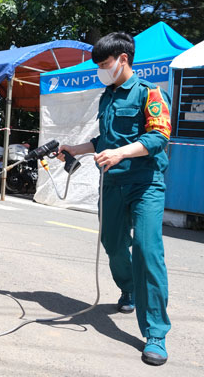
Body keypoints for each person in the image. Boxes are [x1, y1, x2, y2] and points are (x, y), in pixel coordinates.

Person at [58, 32, 172, 366]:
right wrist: (74, 148)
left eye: (104, 64)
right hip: (112, 186)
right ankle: (129, 289)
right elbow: (104, 139)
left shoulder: (150, 94)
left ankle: (156, 333)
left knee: (148, 252)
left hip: (145, 183)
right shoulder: (107, 96)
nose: (100, 71)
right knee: (112, 243)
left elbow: (158, 136)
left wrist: (121, 153)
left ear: (123, 59)